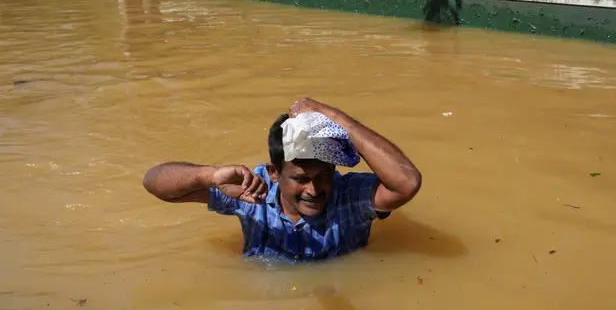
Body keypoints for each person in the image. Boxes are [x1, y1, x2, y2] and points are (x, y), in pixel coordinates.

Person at [142, 98, 422, 262]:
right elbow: (155, 184)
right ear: (274, 173)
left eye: (323, 176)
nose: (314, 189)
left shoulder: (350, 195)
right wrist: (210, 176)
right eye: (300, 179)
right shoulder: (252, 191)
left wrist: (333, 117)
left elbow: (406, 183)